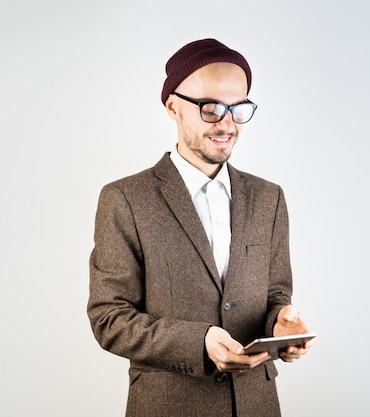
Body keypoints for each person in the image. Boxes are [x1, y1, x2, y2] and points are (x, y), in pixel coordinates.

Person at [87, 38, 315, 417]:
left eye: (238, 108)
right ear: (173, 107)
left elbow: (275, 294)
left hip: (257, 405)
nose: (227, 124)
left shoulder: (268, 197)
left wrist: (282, 324)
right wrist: (199, 341)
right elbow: (109, 318)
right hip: (168, 406)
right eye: (211, 108)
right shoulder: (125, 198)